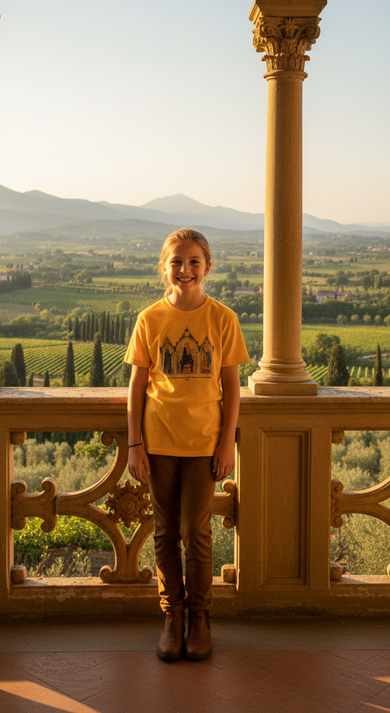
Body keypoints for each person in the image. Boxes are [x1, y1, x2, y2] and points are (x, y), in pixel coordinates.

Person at [125, 228, 249, 661]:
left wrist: (228, 442)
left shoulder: (222, 318)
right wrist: (134, 444)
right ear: (164, 267)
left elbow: (232, 387)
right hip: (158, 443)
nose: (185, 270)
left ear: (207, 267)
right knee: (163, 531)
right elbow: (138, 385)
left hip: (204, 444)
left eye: (194, 261)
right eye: (177, 262)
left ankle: (200, 617)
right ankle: (171, 616)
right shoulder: (150, 319)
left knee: (194, 531)